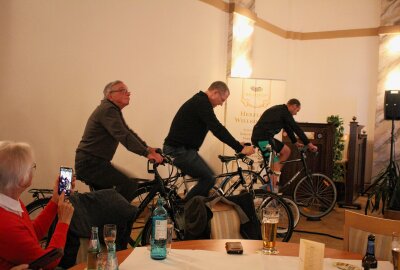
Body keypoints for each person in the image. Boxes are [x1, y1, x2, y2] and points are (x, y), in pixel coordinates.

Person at [163, 81, 255, 202]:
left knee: (209, 179)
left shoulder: (201, 102)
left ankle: (196, 213)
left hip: (184, 149)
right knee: (209, 179)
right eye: (222, 100)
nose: (221, 104)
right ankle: (183, 209)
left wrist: (238, 144)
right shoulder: (201, 102)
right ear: (215, 92)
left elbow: (216, 128)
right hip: (178, 149)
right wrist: (239, 148)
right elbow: (217, 128)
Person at [75, 80, 163, 202]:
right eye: (123, 91)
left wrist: (147, 148)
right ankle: (114, 218)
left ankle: (105, 219)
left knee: (107, 197)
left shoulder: (112, 109)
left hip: (93, 162)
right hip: (90, 163)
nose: (128, 94)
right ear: (110, 95)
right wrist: (146, 153)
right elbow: (123, 135)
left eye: (128, 91)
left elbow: (127, 132)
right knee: (128, 185)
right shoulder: (108, 110)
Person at [0, 141, 74, 269]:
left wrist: (55, 201)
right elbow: (48, 262)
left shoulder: (10, 200)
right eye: (31, 167)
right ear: (21, 179)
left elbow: (31, 234)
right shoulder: (6, 224)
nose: (33, 169)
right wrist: (63, 222)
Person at [251, 98, 318, 187]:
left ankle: (273, 175)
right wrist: (309, 144)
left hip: (267, 137)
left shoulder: (283, 112)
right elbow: (295, 127)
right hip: (261, 138)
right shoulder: (284, 111)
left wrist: (295, 142)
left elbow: (288, 128)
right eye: (297, 111)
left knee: (286, 151)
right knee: (275, 163)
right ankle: (271, 193)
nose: (296, 113)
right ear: (294, 106)